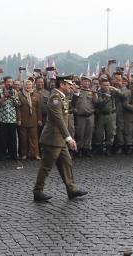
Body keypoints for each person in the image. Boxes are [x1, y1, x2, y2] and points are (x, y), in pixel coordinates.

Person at [33, 74, 87, 202]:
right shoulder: (54, 98)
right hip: (52, 139)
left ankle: (72, 189)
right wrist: (69, 138)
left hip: (59, 139)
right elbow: (58, 120)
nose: (70, 86)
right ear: (62, 85)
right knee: (46, 167)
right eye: (69, 84)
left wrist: (76, 94)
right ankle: (38, 191)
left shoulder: (61, 98)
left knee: (67, 163)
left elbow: (70, 107)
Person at [0, 76, 20, 161]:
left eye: (11, 82)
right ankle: (2, 154)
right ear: (4, 82)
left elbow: (18, 105)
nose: (9, 83)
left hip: (12, 118)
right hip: (2, 118)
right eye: (8, 82)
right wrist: (4, 96)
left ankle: (13, 154)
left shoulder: (15, 92)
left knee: (12, 138)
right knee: (2, 138)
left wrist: (14, 99)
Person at [17, 79, 42, 160]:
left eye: (29, 85)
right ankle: (24, 153)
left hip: (33, 120)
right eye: (26, 85)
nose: (28, 86)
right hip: (23, 120)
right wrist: (19, 119)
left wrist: (39, 119)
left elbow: (38, 108)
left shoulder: (36, 95)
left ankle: (35, 154)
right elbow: (18, 108)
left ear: (32, 86)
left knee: (34, 138)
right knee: (23, 138)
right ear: (24, 86)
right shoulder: (20, 95)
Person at [73, 76, 96, 157]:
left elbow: (96, 102)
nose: (87, 83)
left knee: (89, 133)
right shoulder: (77, 91)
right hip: (80, 115)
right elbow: (72, 101)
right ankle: (80, 149)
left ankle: (87, 148)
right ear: (81, 82)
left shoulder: (91, 91)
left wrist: (95, 93)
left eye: (88, 82)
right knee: (80, 133)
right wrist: (73, 108)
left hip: (90, 115)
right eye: (85, 81)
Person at [93, 78, 116, 156]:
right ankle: (99, 148)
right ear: (101, 85)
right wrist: (105, 99)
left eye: (107, 85)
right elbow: (98, 104)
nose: (106, 87)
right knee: (99, 133)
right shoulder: (98, 93)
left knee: (110, 132)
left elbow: (122, 94)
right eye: (104, 85)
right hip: (101, 115)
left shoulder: (113, 92)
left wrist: (115, 89)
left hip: (111, 114)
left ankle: (108, 149)